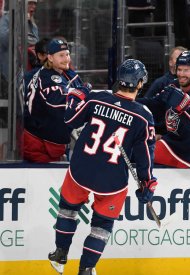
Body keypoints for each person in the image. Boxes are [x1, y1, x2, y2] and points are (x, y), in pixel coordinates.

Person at [48, 59, 157, 275]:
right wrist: (147, 182)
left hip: (82, 169)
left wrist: (73, 96)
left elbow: (70, 118)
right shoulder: (143, 116)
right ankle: (86, 268)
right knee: (102, 227)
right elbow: (146, 156)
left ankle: (61, 253)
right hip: (112, 179)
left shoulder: (97, 99)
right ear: (140, 83)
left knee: (68, 210)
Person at [139, 51, 190, 169]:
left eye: (186, 70)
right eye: (179, 69)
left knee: (139, 154)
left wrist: (184, 105)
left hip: (188, 151)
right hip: (173, 142)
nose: (181, 74)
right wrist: (130, 101)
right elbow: (155, 103)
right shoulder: (174, 86)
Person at [23, 39, 84, 163]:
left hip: (50, 144)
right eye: (61, 55)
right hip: (38, 145)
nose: (66, 59)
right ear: (50, 58)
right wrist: (84, 92)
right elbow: (59, 101)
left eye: (67, 54)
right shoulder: (47, 76)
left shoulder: (66, 72)